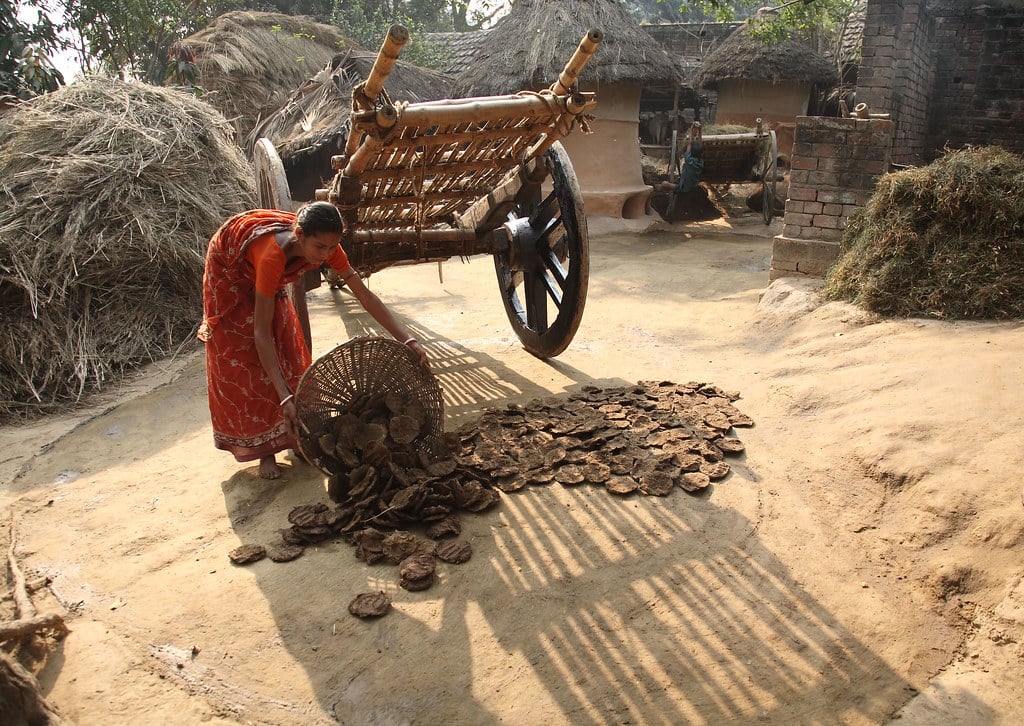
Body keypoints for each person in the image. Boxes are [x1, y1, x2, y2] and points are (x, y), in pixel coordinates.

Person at [198, 201, 428, 480]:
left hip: (265, 270)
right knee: (246, 357)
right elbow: (260, 333)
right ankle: (264, 451)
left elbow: (365, 297)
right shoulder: (272, 257)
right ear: (299, 234)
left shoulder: (327, 246)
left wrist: (407, 340)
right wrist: (284, 398)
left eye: (333, 247)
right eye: (320, 247)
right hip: (230, 268)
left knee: (288, 345)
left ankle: (295, 437)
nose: (326, 255)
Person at [658, 121, 705, 195]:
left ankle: (658, 191)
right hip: (693, 186)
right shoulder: (700, 162)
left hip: (683, 188)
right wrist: (700, 130)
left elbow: (689, 144)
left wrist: (691, 130)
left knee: (664, 184)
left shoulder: (689, 160)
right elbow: (700, 144)